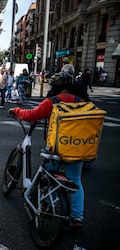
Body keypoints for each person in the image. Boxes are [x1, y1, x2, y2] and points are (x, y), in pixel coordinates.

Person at [9, 72, 85, 229]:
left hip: (56, 149)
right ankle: (77, 217)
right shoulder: (81, 101)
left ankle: (49, 206)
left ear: (55, 87)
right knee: (75, 180)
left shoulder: (52, 101)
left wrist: (16, 110)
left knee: (48, 175)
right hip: (77, 147)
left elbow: (32, 115)